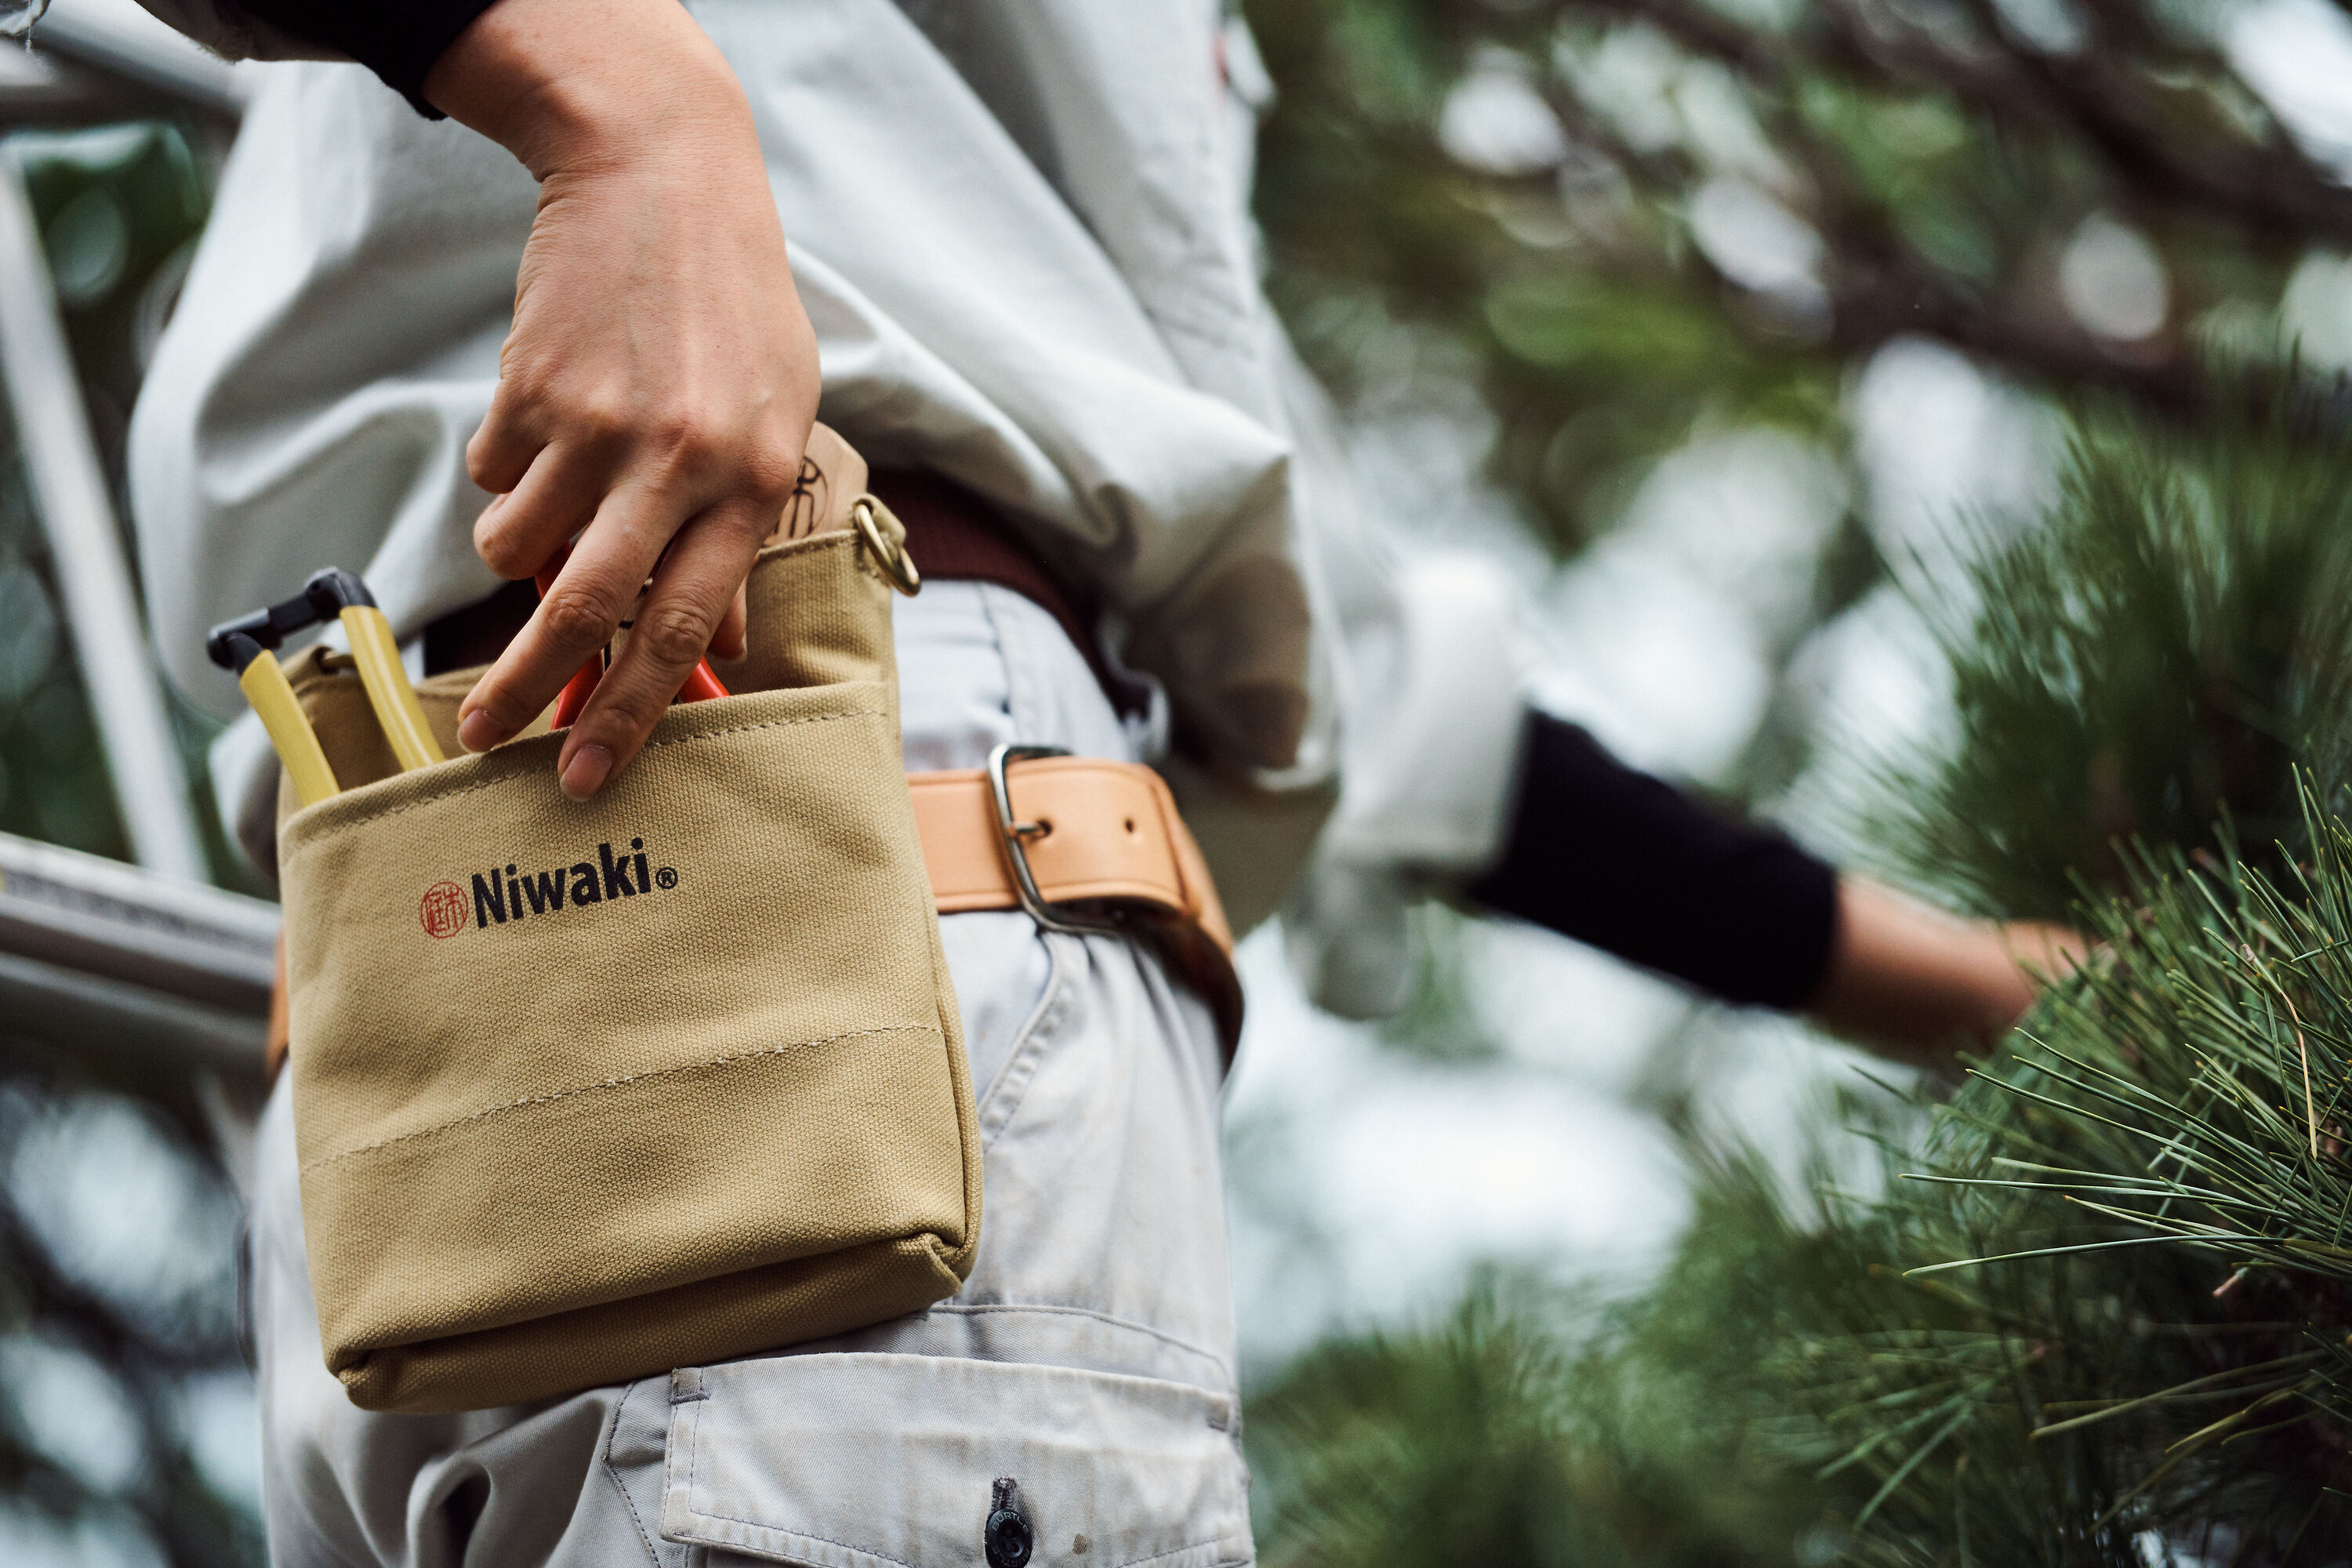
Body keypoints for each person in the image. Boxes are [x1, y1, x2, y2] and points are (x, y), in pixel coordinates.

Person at [80, 0, 2075, 1560]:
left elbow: (1378, 689)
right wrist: (625, 98)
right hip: (821, 890)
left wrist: (1974, 991)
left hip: (402, 1034)